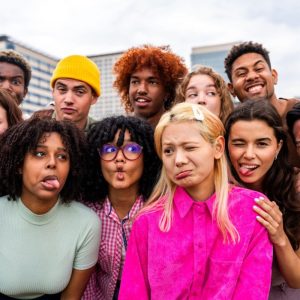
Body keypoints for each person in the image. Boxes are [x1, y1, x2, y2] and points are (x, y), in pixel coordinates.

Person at [119, 102, 273, 299]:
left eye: (189, 147)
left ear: (218, 148)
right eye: (168, 151)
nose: (178, 160)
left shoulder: (252, 211)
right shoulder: (147, 222)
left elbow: (253, 292)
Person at [0, 117, 101, 299]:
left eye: (62, 156)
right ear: (18, 165)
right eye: (40, 153)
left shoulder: (86, 223)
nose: (52, 163)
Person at [225, 100, 300, 299]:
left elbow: (297, 279)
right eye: (239, 143)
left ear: (278, 147)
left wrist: (279, 236)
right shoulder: (216, 192)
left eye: (262, 144)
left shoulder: (296, 190)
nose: (249, 154)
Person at [82, 116, 161, 300]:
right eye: (109, 149)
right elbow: (87, 281)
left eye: (131, 149)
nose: (119, 159)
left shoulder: (160, 211)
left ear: (147, 157)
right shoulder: (87, 211)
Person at [224, 41, 300, 167]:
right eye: (242, 74)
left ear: (274, 76)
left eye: (259, 69)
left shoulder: (296, 112)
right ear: (231, 89)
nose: (252, 76)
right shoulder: (232, 128)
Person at [113, 45, 187, 127]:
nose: (142, 90)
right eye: (135, 82)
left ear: (167, 92)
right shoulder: (118, 132)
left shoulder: (180, 129)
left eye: (152, 82)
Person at [35, 54, 101, 133]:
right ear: (53, 92)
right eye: (62, 89)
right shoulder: (32, 132)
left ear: (94, 97)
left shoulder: (103, 137)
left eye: (79, 92)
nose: (68, 100)